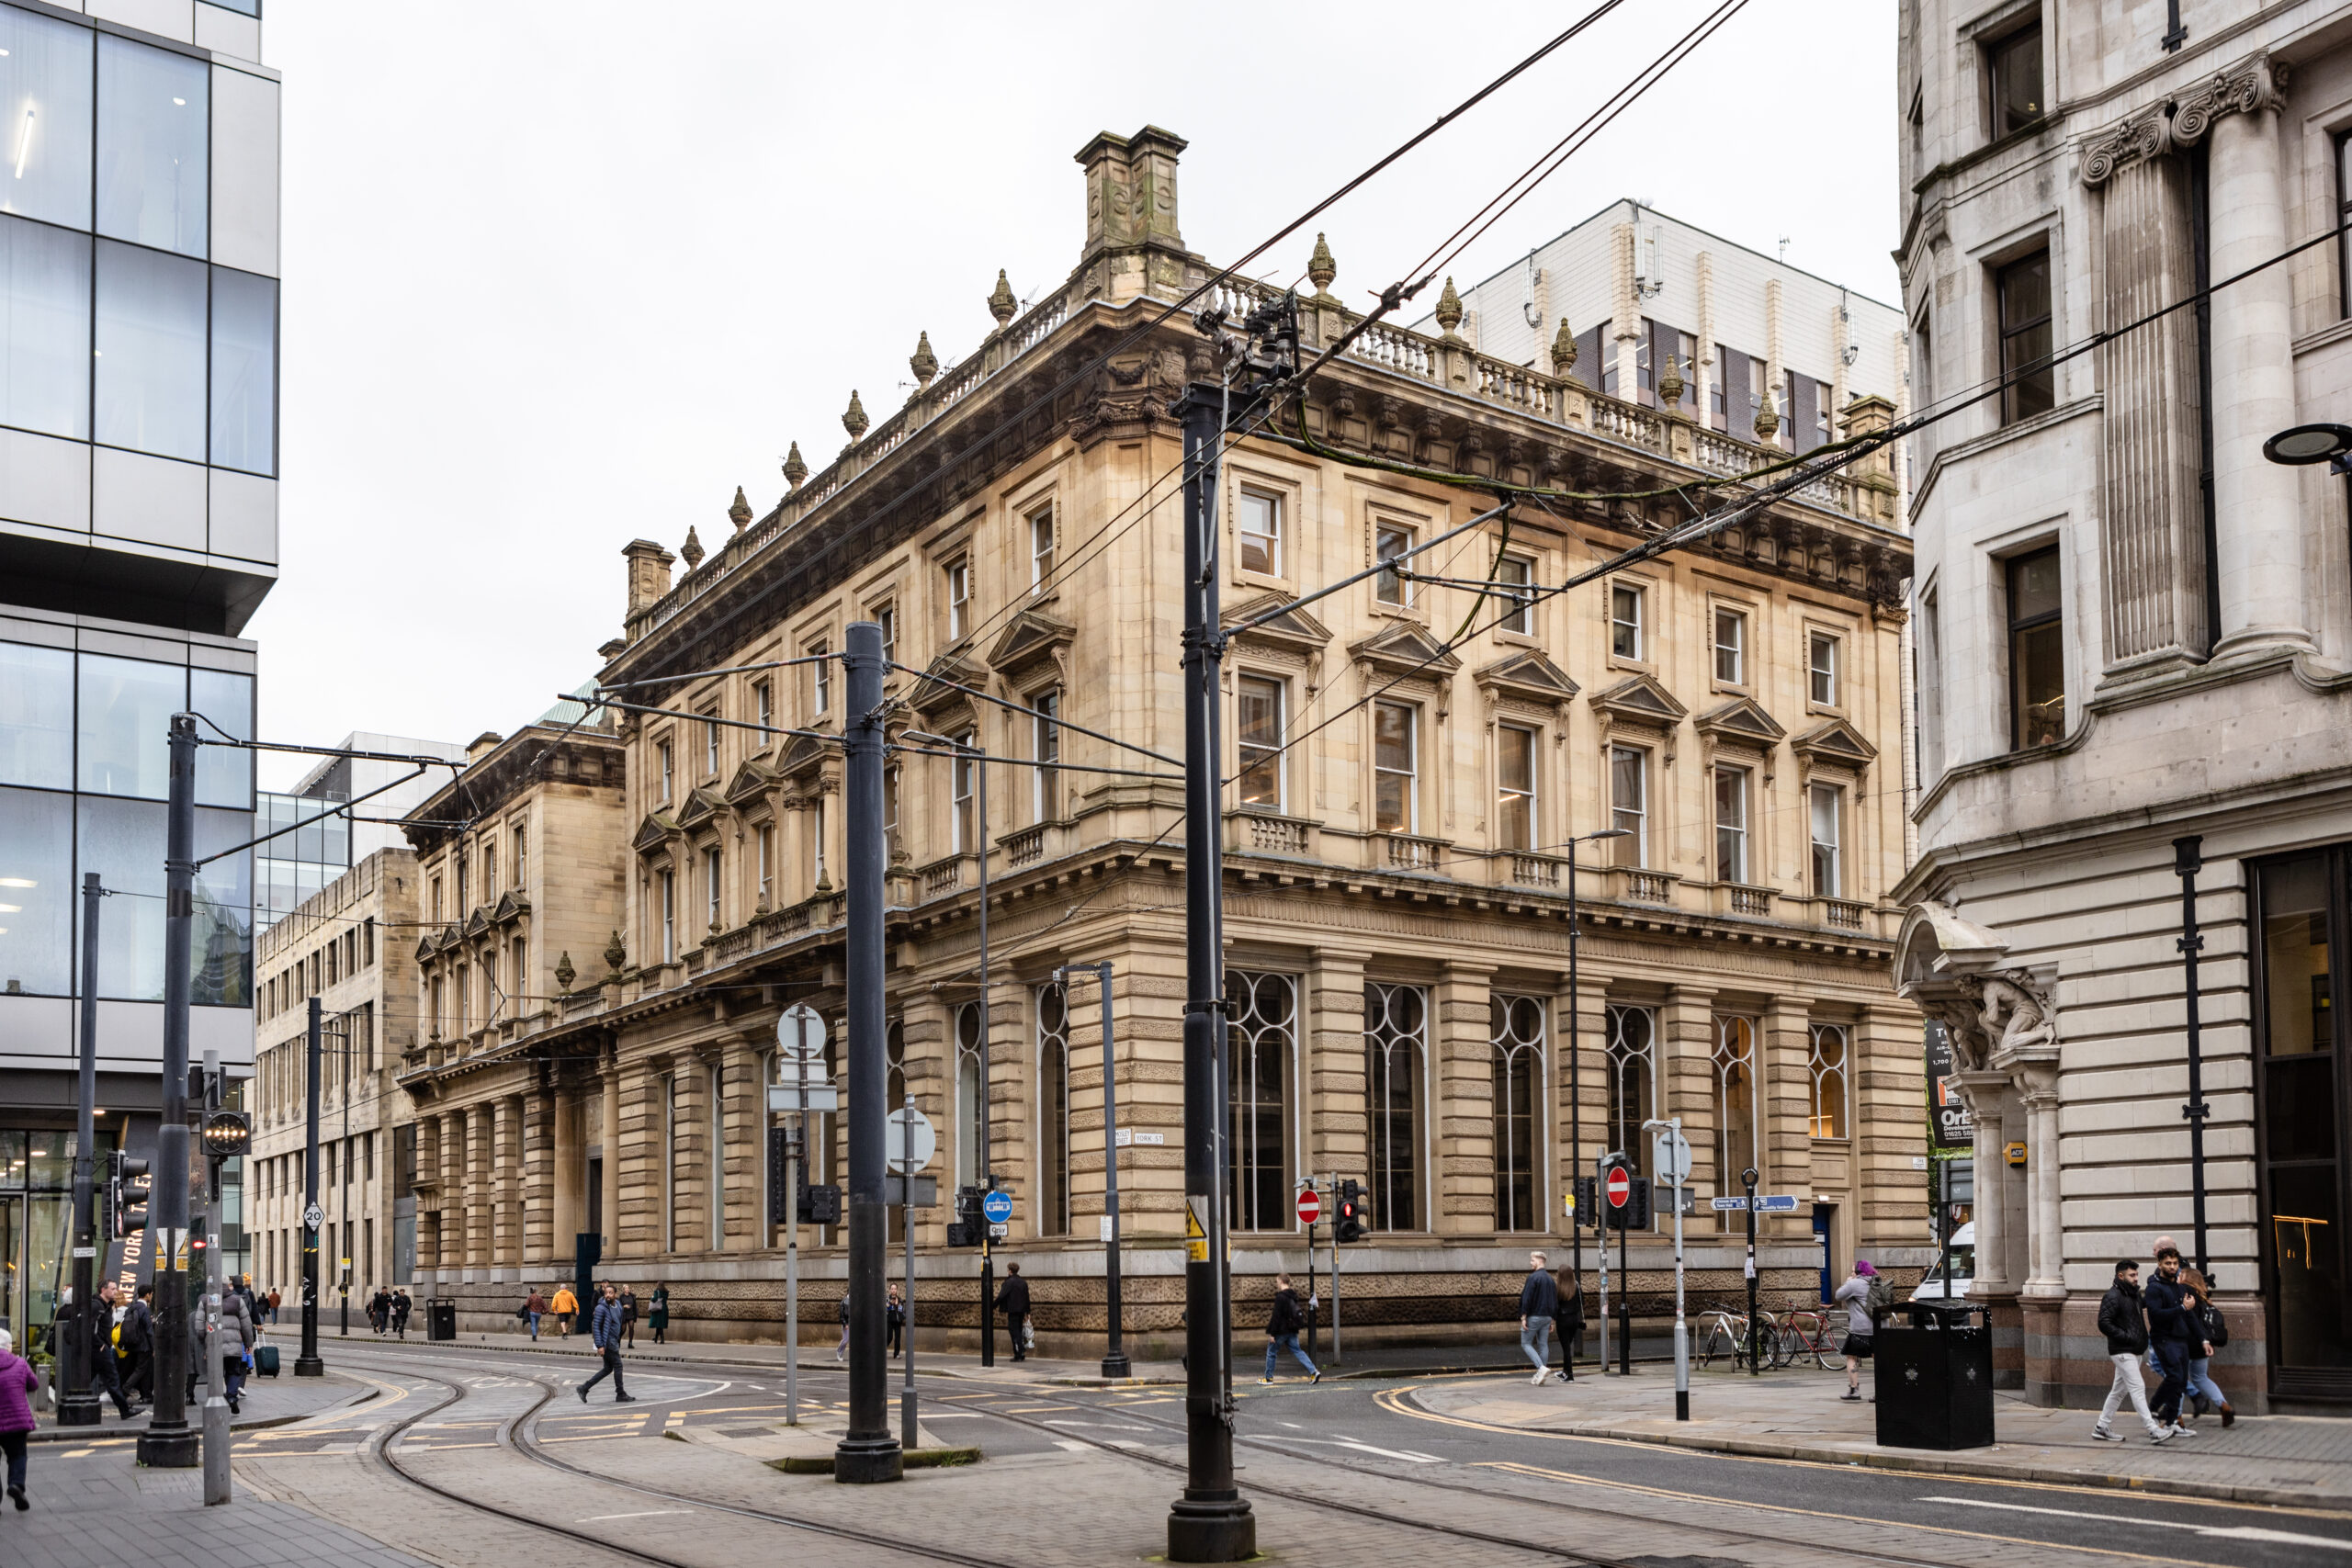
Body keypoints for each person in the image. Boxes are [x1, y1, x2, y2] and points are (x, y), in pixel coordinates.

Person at [2093, 1258, 2172, 1443]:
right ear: (2121, 1276)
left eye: (2137, 1274)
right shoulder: (2112, 1296)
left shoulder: (2133, 1295)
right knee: (2138, 1387)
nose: (2136, 1278)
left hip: (2134, 1350)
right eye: (2132, 1275)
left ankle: (2101, 1427)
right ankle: (2152, 1429)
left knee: (2118, 1391)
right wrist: (2127, 1337)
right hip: (2122, 1350)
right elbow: (2103, 1322)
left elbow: (2143, 1307)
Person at [2143, 1247, 2198, 1435]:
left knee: (2181, 1381)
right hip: (2164, 1339)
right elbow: (2156, 1315)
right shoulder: (2154, 1288)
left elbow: (2190, 1317)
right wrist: (2182, 1308)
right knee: (2174, 1376)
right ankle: (2154, 1406)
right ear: (2159, 1264)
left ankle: (2171, 1421)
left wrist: (2204, 1340)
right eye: (2168, 1263)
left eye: (2175, 1263)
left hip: (2181, 1339)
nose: (2172, 1267)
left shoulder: (2179, 1286)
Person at [2178, 1268, 2234, 1428]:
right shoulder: (2202, 1296)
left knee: (2179, 1379)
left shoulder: (2185, 1292)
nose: (2177, 1276)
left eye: (2180, 1275)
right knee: (2201, 1377)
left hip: (2186, 1343)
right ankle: (2224, 1406)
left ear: (2186, 1278)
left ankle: (2177, 1417)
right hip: (2202, 1343)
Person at [577, 1283, 634, 1404]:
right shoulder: (601, 1308)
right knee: (618, 1366)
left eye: (610, 1293)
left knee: (608, 1368)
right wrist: (600, 1345)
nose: (608, 1295)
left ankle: (584, 1388)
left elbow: (618, 1321)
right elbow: (596, 1327)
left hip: (614, 1340)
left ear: (615, 1294)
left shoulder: (618, 1304)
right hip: (607, 1341)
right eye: (606, 1293)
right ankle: (620, 1394)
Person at [87, 1281, 136, 1420]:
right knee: (112, 1378)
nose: (116, 1291)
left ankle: (124, 1409)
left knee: (90, 1377)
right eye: (113, 1289)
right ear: (103, 1290)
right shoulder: (97, 1306)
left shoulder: (105, 1306)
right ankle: (124, 1410)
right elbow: (89, 1327)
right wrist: (100, 1344)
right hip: (100, 1349)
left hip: (101, 1348)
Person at [1260, 1272, 1318, 1384]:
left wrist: (1272, 1334)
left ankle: (1268, 1378)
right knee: (1298, 1351)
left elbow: (1276, 1317)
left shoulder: (1280, 1297)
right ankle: (1314, 1371)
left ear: (1281, 1281)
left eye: (1277, 1281)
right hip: (1292, 1329)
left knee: (1271, 1352)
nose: (1277, 1284)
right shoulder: (1294, 1296)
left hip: (1281, 1331)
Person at [1833, 1260, 1879, 1402]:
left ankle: (1854, 1390)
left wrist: (1848, 1282)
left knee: (1851, 1356)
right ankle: (1882, 1391)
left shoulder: (1855, 1283)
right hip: (1879, 1326)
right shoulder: (1877, 1282)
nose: (1851, 1273)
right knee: (1878, 1358)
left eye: (1853, 1271)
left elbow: (1838, 1295)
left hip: (1861, 1328)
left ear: (1858, 1272)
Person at [0, 1328, 36, 1511]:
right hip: (16, 1420)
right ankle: (16, 1484)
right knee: (18, 1455)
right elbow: (34, 1384)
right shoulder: (20, 1364)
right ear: (8, 1346)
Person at [1517, 1250, 1559, 1387]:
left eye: (1532, 1260)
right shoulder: (1550, 1279)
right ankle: (1541, 1374)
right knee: (1543, 1345)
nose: (1530, 1263)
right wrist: (1552, 1319)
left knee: (1525, 1343)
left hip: (1534, 1316)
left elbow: (1526, 1298)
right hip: (1547, 1317)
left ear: (1540, 1261)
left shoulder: (1533, 1278)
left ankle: (1541, 1368)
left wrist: (1523, 1316)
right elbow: (1554, 1300)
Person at [218, 1282, 257, 1416]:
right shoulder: (237, 1301)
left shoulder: (209, 1300)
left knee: (218, 1372)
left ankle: (218, 1398)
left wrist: (204, 1342)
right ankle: (232, 1397)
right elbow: (246, 1324)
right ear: (228, 1287)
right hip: (234, 1344)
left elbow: (200, 1325)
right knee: (233, 1372)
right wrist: (248, 1343)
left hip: (215, 1345)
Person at [122, 1285, 155, 1404]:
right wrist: (153, 1347)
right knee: (141, 1369)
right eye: (151, 1294)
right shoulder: (144, 1309)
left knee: (144, 1369)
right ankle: (125, 1388)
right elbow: (148, 1330)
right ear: (147, 1295)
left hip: (133, 1343)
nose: (152, 1296)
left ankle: (146, 1395)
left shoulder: (131, 1308)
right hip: (144, 1344)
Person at [996, 1262, 1033, 1361]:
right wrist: (1028, 1312)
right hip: (1021, 1311)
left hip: (1013, 1311)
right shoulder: (1023, 1282)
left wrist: (992, 1306)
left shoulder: (1009, 1282)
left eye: (1008, 1270)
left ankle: (1019, 1353)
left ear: (1010, 1271)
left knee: (1014, 1332)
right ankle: (1020, 1353)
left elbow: (1001, 1296)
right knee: (1019, 1331)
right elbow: (1027, 1298)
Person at [1555, 1266, 1585, 1382]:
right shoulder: (1576, 1286)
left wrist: (1552, 1319)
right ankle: (1565, 1372)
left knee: (1566, 1349)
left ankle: (1570, 1375)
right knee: (1567, 1348)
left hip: (1562, 1320)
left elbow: (1555, 1305)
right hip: (1574, 1320)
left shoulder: (1558, 1288)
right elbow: (1583, 1302)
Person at [886, 1283, 904, 1359]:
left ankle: (896, 1354)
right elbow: (886, 1309)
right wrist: (890, 1303)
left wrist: (896, 1305)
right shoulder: (887, 1299)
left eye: (895, 1289)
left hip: (897, 1321)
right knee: (889, 1337)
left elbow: (901, 1310)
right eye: (892, 1289)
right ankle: (881, 1350)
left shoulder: (900, 1300)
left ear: (897, 1290)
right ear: (890, 1290)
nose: (893, 1290)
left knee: (897, 1338)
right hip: (889, 1320)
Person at [649, 1283, 670, 1347]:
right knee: (659, 1323)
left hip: (658, 1309)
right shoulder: (666, 1292)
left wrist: (651, 1298)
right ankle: (656, 1338)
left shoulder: (657, 1291)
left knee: (659, 1324)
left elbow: (654, 1299)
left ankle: (662, 1339)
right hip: (664, 1308)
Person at [620, 1283, 639, 1350]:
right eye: (626, 1288)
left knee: (631, 1327)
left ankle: (630, 1343)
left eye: (628, 1288)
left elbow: (635, 1306)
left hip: (631, 1315)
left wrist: (636, 1315)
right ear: (623, 1289)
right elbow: (619, 1306)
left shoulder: (632, 1296)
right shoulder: (621, 1297)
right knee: (623, 1330)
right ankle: (618, 1339)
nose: (627, 1289)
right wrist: (624, 1306)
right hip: (624, 1315)